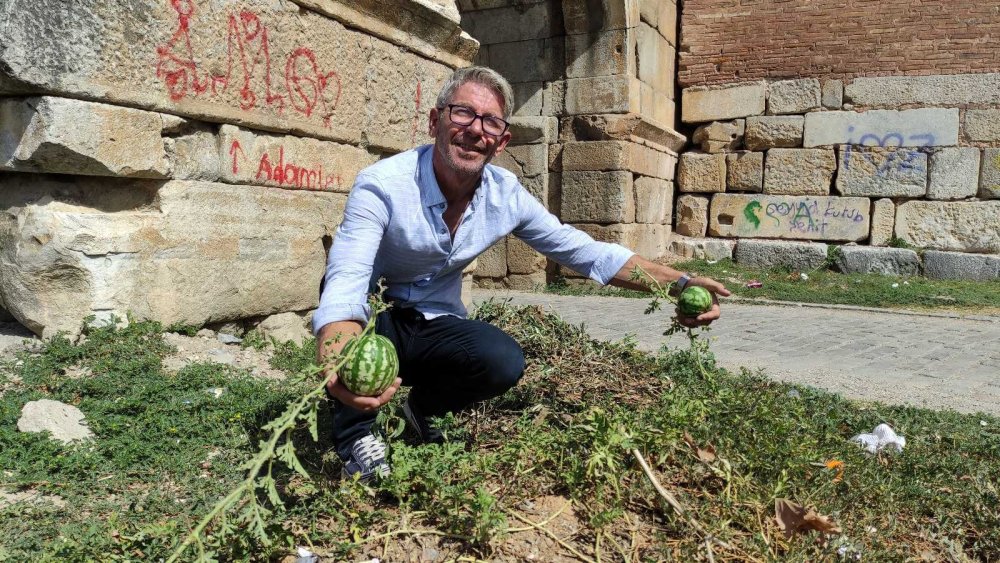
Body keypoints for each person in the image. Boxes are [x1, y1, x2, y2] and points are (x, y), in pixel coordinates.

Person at [314, 66, 731, 480]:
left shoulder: (505, 195)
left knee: (502, 360)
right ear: (435, 121)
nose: (476, 130)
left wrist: (679, 283)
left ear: (502, 141)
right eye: (462, 113)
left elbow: (584, 252)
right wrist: (337, 364)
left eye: (491, 121)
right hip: (373, 314)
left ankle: (422, 410)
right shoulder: (383, 185)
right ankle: (355, 434)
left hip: (431, 320)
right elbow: (347, 277)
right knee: (354, 342)